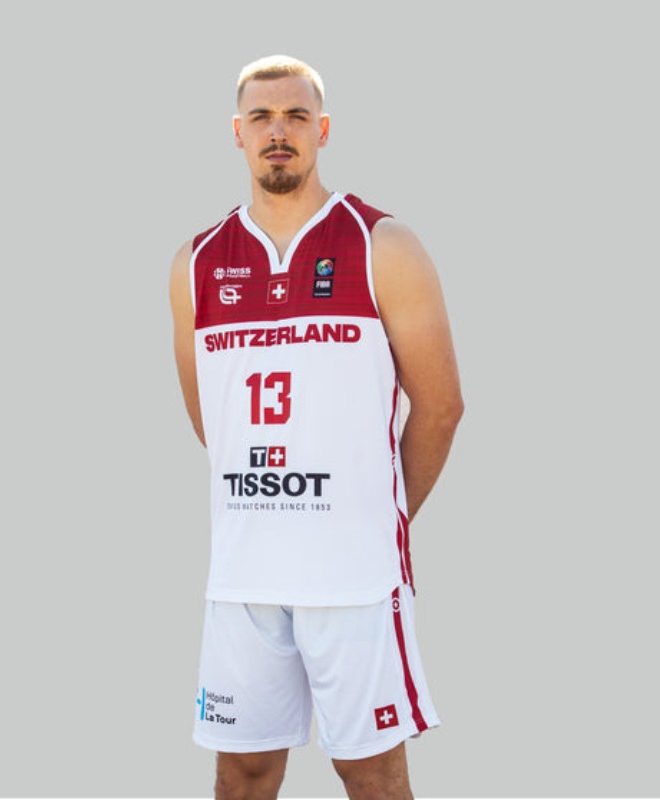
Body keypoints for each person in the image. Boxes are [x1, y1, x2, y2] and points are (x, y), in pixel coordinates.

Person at [169, 54, 463, 800]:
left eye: (296, 116)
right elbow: (214, 420)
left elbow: (441, 406)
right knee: (242, 773)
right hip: (243, 576)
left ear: (322, 130)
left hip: (352, 578)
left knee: (372, 775)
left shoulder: (381, 244)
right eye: (262, 118)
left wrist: (375, 512)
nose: (279, 132)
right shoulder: (196, 262)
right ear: (237, 133)